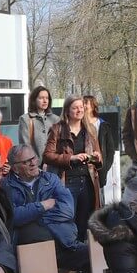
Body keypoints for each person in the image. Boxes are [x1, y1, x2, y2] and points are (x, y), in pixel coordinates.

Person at [4, 144, 99, 273]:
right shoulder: (6, 186)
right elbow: (14, 217)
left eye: (34, 158)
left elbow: (68, 210)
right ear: (15, 168)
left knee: (94, 256)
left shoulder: (51, 179)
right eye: (26, 161)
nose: (33, 163)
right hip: (32, 252)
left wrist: (34, 218)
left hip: (64, 244)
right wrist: (42, 206)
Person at [44, 97, 104, 243]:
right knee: (68, 224)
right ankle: (69, 257)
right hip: (67, 182)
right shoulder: (57, 129)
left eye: (81, 107)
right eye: (75, 108)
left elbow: (98, 157)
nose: (79, 110)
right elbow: (47, 156)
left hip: (88, 182)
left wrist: (96, 157)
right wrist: (70, 158)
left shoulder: (90, 129)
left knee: (86, 223)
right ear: (67, 111)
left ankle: (84, 257)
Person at [17, 86, 59, 165]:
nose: (45, 101)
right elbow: (25, 146)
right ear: (34, 100)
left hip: (54, 164)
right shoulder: (25, 119)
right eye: (41, 98)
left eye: (47, 98)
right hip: (35, 165)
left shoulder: (55, 119)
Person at [83, 95, 118, 178]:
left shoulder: (103, 125)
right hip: (84, 167)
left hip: (99, 168)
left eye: (85, 103)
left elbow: (110, 149)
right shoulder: (79, 124)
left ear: (92, 106)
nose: (83, 106)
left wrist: (105, 167)